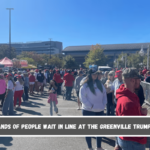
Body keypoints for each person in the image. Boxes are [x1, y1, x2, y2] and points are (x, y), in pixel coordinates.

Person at [116, 68, 147, 150]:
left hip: (128, 140)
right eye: (138, 79)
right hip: (133, 142)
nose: (140, 81)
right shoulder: (129, 102)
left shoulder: (126, 94)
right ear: (132, 80)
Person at [79, 69, 107, 150]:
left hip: (100, 110)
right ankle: (90, 147)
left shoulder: (100, 84)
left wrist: (104, 103)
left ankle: (99, 147)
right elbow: (82, 98)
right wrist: (90, 106)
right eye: (93, 74)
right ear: (89, 75)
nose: (95, 75)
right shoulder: (85, 85)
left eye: (96, 74)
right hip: (88, 110)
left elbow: (104, 94)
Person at [112, 70, 123, 150]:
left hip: (123, 103)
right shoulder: (115, 81)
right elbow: (113, 90)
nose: (117, 77)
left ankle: (120, 142)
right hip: (117, 103)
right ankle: (117, 143)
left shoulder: (125, 82)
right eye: (116, 76)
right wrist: (113, 98)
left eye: (118, 76)